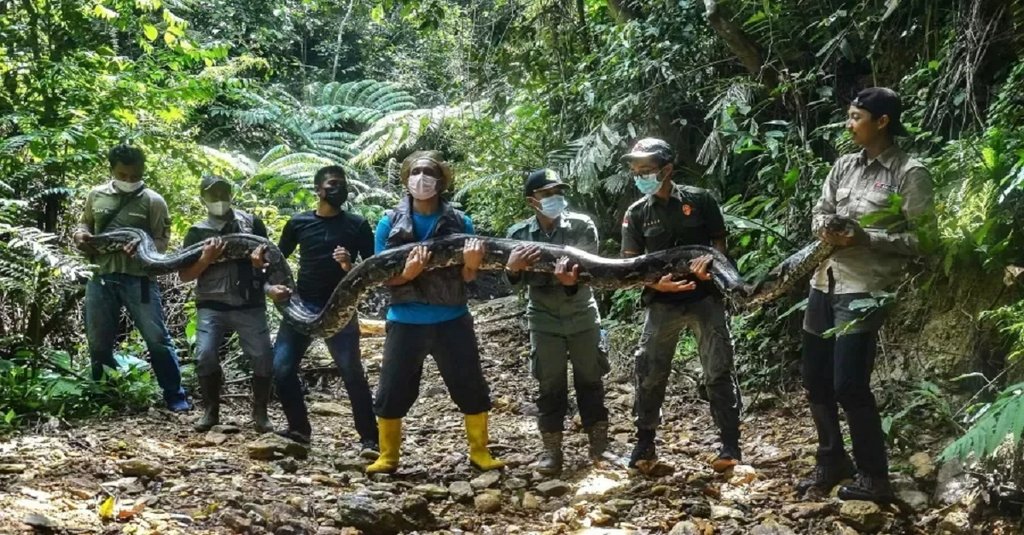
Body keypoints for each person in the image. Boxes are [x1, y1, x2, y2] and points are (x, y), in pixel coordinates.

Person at [798, 87, 934, 502]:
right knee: (815, 380)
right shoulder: (843, 166)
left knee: (849, 385)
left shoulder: (909, 172)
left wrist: (866, 237)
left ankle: (875, 476)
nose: (849, 123)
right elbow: (819, 211)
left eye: (856, 117)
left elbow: (925, 240)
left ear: (882, 122)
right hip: (824, 282)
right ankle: (831, 459)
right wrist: (824, 226)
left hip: (864, 290)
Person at [365, 150, 503, 474]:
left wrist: (471, 266)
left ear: (441, 180)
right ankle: (388, 456)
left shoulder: (460, 221)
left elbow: (469, 277)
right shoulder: (388, 222)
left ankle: (480, 451)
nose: (421, 178)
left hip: (452, 318)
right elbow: (381, 276)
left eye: (428, 172)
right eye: (415, 172)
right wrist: (409, 274)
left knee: (470, 385)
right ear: (406, 179)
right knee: (392, 389)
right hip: (405, 320)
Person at [620, 137, 742, 473]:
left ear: (667, 169)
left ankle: (730, 444)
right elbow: (630, 264)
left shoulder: (700, 200)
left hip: (705, 298)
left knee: (718, 369)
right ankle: (645, 443)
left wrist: (711, 267)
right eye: (636, 170)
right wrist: (655, 282)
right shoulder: (637, 213)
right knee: (650, 371)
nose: (640, 175)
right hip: (662, 303)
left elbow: (719, 244)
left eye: (646, 169)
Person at [260, 165, 378, 453]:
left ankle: (370, 439)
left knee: (352, 372)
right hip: (301, 306)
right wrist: (270, 290)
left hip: (340, 308)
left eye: (343, 184)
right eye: (333, 183)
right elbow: (271, 264)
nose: (340, 189)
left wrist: (349, 265)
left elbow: (373, 268)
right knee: (282, 368)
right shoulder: (298, 223)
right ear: (318, 189)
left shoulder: (358, 224)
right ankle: (299, 429)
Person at [505, 169, 610, 475]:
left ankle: (599, 448)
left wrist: (568, 282)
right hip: (543, 316)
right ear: (531, 201)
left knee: (591, 379)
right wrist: (513, 270)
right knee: (549, 384)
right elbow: (514, 282)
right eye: (546, 194)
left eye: (558, 192)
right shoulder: (518, 235)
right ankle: (552, 452)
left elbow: (591, 268)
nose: (555, 198)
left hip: (581, 311)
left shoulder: (581, 225)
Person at [73, 145, 190, 411]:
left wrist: (144, 249)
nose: (128, 180)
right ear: (112, 170)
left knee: (157, 339)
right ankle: (106, 395)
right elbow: (85, 224)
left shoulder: (153, 200)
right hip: (101, 276)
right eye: (122, 175)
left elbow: (162, 242)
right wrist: (80, 236)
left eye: (134, 175)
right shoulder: (96, 195)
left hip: (140, 279)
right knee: (99, 341)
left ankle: (175, 395)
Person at [178, 175, 274, 433]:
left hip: (249, 303)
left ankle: (261, 413)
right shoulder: (197, 232)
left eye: (223, 193)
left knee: (263, 357)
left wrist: (259, 265)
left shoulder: (251, 224)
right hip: (212, 304)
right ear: (203, 199)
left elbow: (270, 264)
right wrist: (206, 258)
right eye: (212, 195)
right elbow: (185, 275)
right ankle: (211, 411)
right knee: (205, 355)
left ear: (231, 194)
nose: (219, 199)